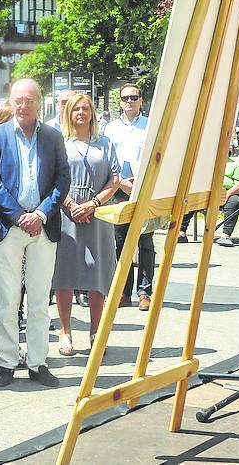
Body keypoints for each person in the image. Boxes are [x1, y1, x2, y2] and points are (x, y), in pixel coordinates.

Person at [0, 78, 70, 388]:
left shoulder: (53, 137)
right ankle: (6, 361)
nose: (23, 105)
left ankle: (38, 362)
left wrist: (42, 213)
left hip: (43, 227)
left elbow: (63, 179)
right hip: (9, 226)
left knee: (38, 300)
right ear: (10, 102)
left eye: (29, 100)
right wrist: (20, 216)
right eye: (18, 100)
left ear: (38, 102)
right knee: (7, 298)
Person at [52, 94, 120, 355]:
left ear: (92, 113)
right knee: (65, 272)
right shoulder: (60, 142)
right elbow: (53, 177)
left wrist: (93, 203)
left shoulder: (105, 143)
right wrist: (70, 204)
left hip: (97, 213)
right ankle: (65, 330)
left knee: (96, 271)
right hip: (65, 212)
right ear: (68, 113)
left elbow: (115, 180)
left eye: (85, 109)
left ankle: (96, 331)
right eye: (76, 109)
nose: (81, 113)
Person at [103, 82, 154, 310]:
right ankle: (123, 292)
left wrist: (140, 186)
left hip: (143, 189)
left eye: (134, 97)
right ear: (120, 102)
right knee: (120, 242)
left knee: (145, 242)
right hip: (118, 188)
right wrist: (120, 183)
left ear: (141, 100)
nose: (129, 102)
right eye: (125, 98)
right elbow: (106, 160)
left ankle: (145, 292)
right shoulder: (110, 128)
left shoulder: (151, 126)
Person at [180, 140, 239, 247]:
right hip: (209, 192)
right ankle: (181, 233)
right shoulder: (208, 165)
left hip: (229, 192)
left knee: (234, 202)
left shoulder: (235, 166)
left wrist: (227, 194)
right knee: (190, 200)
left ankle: (225, 235)